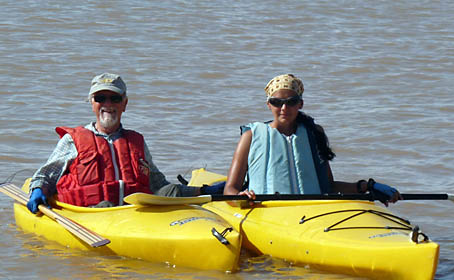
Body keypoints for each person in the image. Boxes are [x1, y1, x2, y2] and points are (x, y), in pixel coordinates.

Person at [27, 73, 222, 213]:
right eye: (100, 98)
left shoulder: (136, 142)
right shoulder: (73, 140)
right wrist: (37, 191)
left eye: (115, 98)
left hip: (133, 214)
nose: (108, 104)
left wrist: (203, 191)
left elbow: (158, 185)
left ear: (125, 104)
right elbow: (45, 175)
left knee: (170, 190)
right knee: (105, 205)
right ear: (92, 102)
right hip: (96, 214)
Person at [223, 73, 401, 206]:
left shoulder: (313, 134)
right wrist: (239, 198)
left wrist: (367, 186)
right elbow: (229, 189)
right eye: (277, 102)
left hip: (312, 212)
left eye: (291, 102)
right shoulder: (251, 136)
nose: (284, 108)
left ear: (300, 104)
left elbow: (328, 186)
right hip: (266, 211)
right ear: (268, 104)